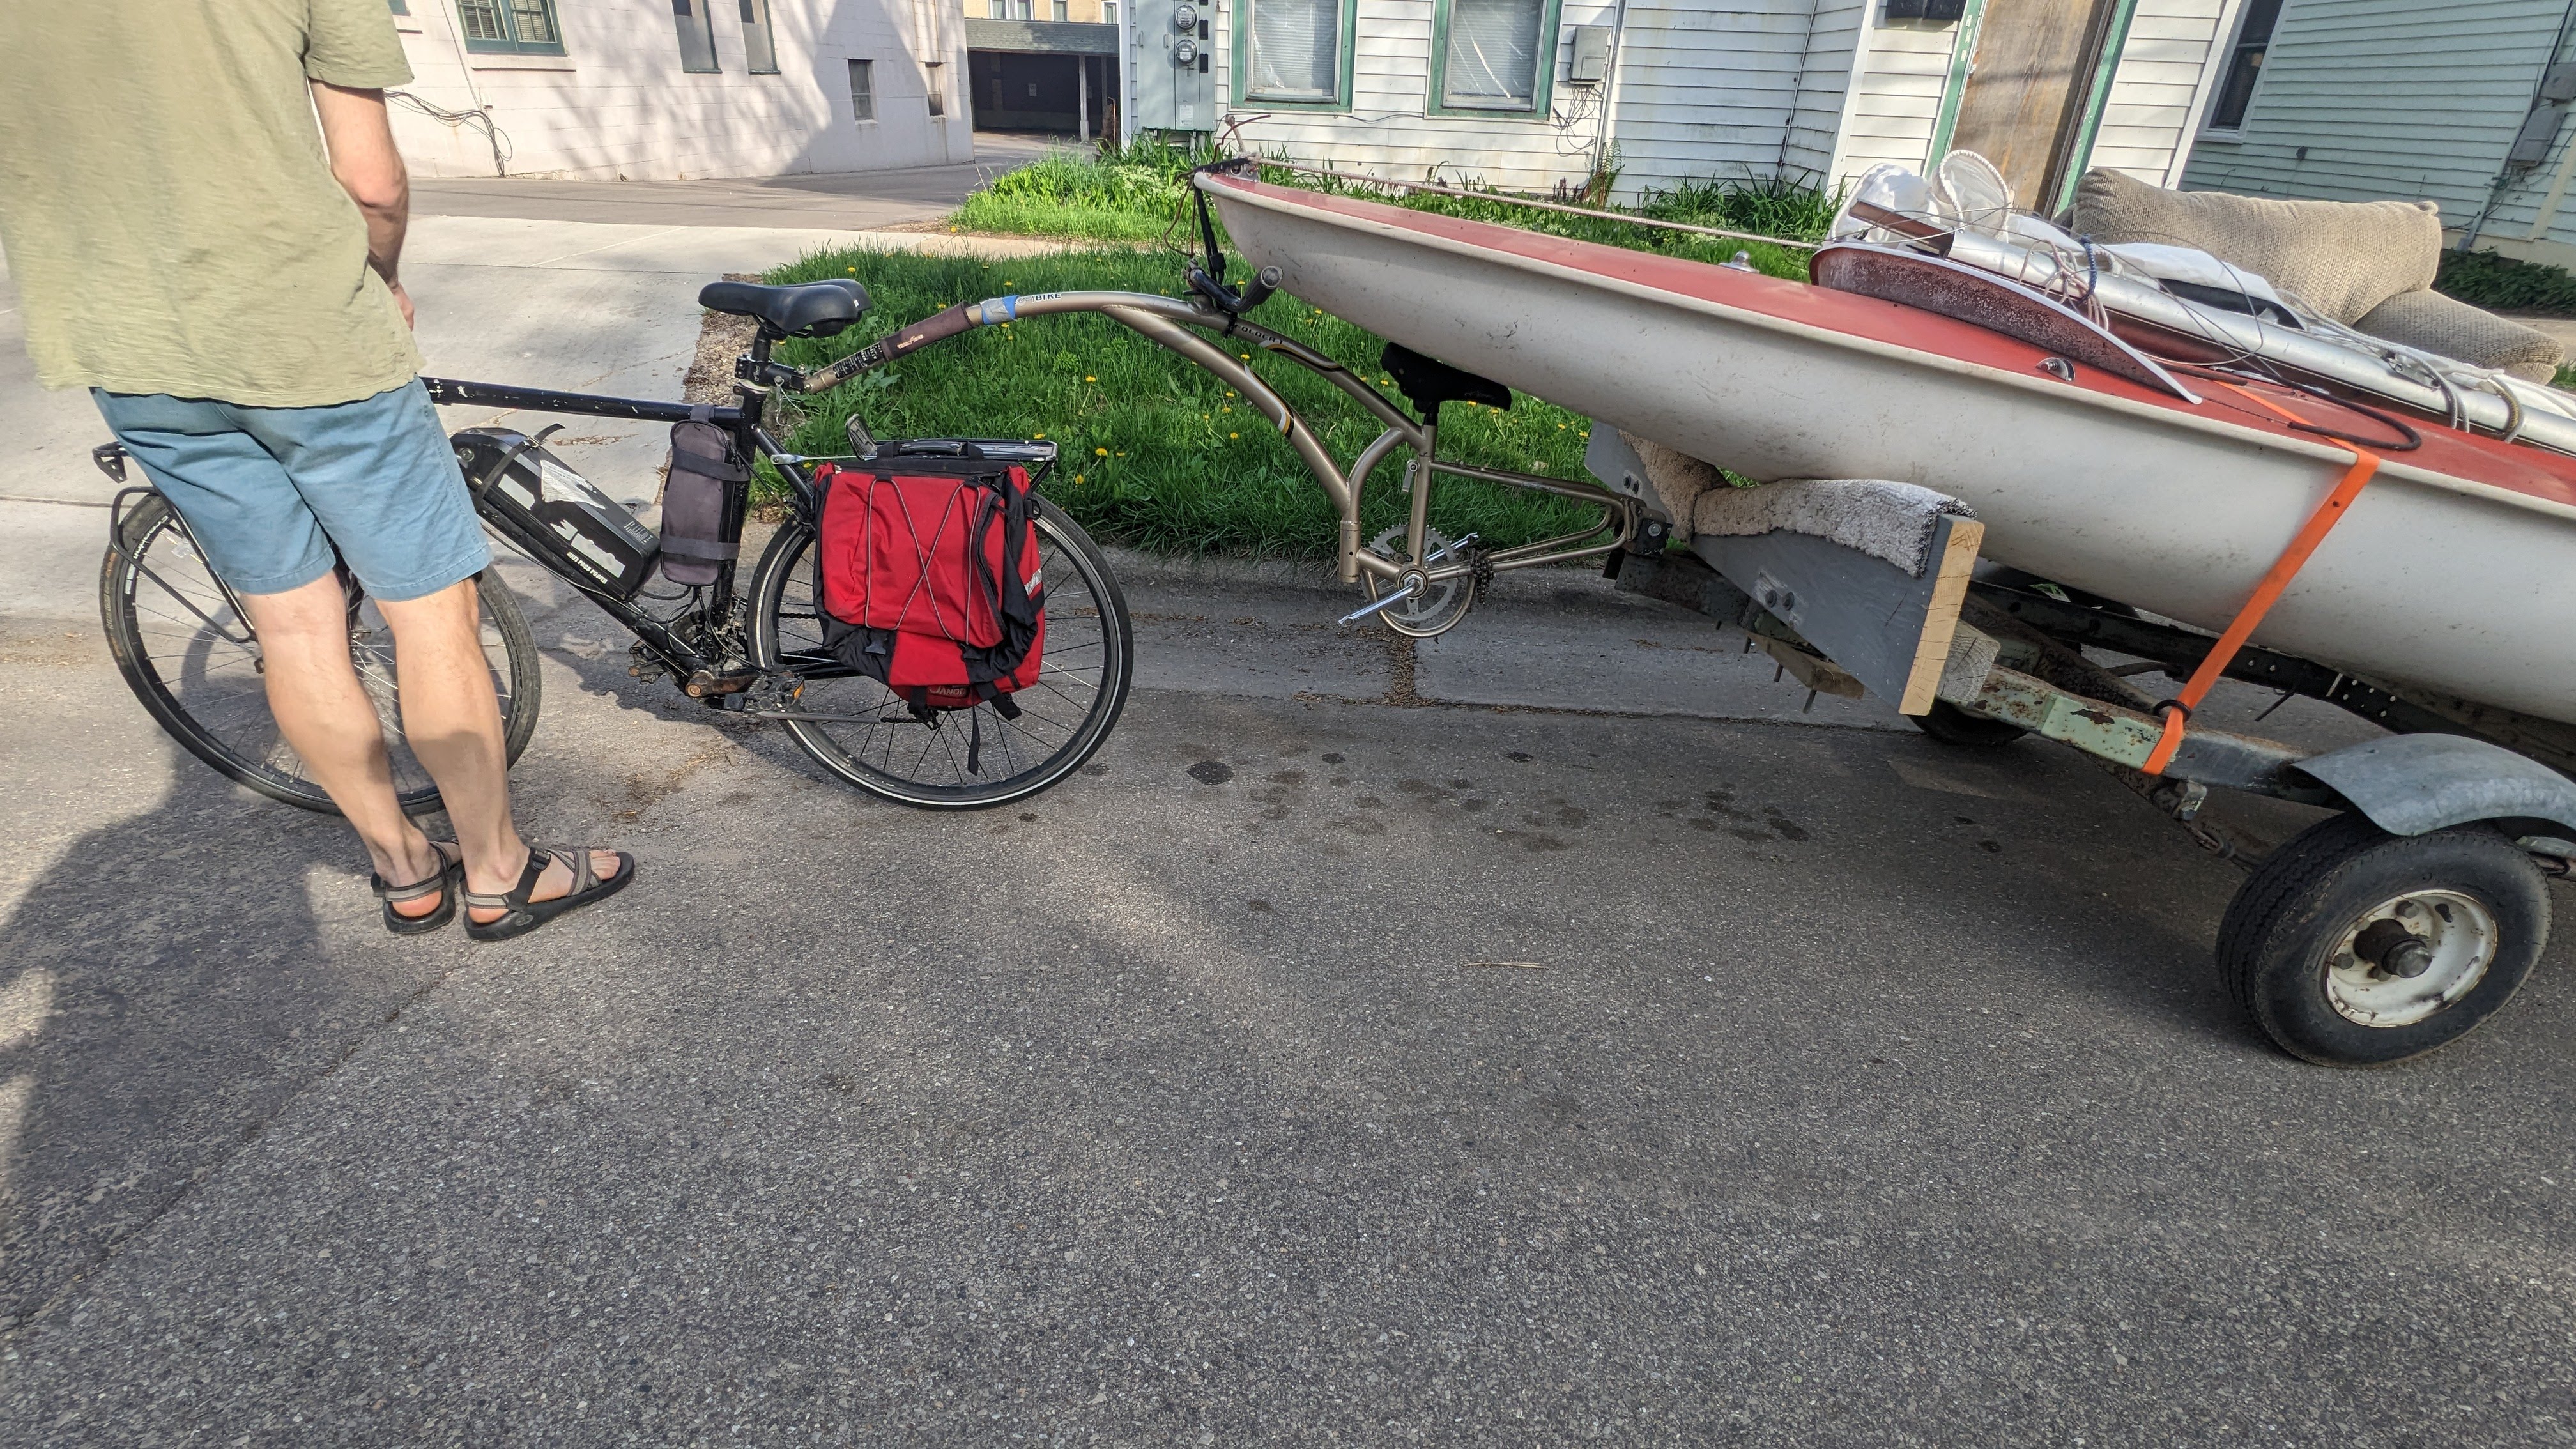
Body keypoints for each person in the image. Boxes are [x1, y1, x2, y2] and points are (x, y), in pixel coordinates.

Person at [0, 2, 629, 940]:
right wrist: (381, 277)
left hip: (127, 348)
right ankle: (499, 873)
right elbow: (371, 181)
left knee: (292, 628)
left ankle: (406, 870)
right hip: (309, 334)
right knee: (432, 615)